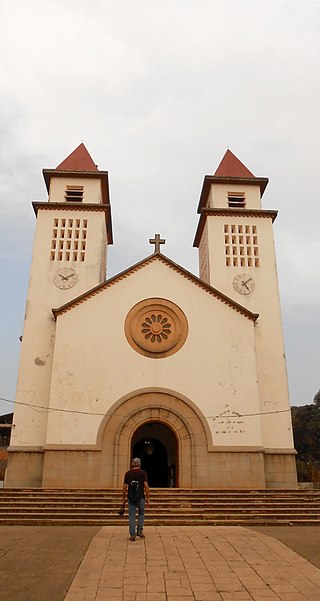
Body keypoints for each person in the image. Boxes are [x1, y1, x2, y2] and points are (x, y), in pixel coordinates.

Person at [122, 457, 150, 541]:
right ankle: (140, 530)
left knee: (132, 516)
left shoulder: (128, 473)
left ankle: (132, 534)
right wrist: (148, 497)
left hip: (131, 497)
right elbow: (146, 486)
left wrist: (123, 497)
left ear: (132, 464)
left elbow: (124, 486)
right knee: (141, 513)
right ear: (140, 464)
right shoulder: (143, 473)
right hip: (140, 497)